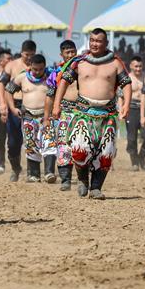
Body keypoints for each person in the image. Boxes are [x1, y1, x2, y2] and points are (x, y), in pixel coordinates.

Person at [51, 28, 131, 200]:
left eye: (99, 41)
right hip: (82, 113)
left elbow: (126, 84)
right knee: (80, 150)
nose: (95, 44)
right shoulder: (79, 62)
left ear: (106, 43)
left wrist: (126, 105)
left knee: (106, 154)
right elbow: (63, 82)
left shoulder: (115, 63)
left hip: (107, 114)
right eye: (92, 40)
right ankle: (82, 180)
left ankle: (96, 188)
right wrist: (56, 105)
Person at [5, 54, 55, 183]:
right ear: (30, 67)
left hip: (46, 116)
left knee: (49, 143)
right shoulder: (21, 78)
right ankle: (34, 175)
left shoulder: (51, 77)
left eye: (41, 69)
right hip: (28, 117)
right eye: (35, 69)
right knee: (30, 144)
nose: (38, 72)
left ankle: (49, 173)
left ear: (45, 67)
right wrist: (12, 108)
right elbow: (8, 90)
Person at [0, 40, 36, 182]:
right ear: (21, 53)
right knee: (14, 142)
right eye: (27, 55)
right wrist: (3, 103)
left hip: (32, 105)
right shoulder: (12, 65)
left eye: (32, 55)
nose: (29, 58)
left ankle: (33, 171)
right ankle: (15, 168)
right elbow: (1, 84)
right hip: (14, 103)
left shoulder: (37, 65)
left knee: (32, 139)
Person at [44, 40, 79, 190]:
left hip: (82, 112)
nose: (71, 55)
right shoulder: (56, 73)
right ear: (61, 54)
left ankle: (85, 179)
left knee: (83, 146)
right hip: (64, 113)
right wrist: (47, 117)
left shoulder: (84, 68)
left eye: (73, 52)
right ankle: (66, 180)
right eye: (67, 52)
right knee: (63, 146)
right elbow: (50, 97)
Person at [125, 56, 145, 171]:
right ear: (131, 66)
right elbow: (121, 96)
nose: (138, 68)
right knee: (132, 138)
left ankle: (142, 157)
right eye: (136, 66)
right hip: (131, 109)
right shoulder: (127, 78)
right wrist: (122, 109)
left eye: (140, 66)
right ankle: (134, 162)